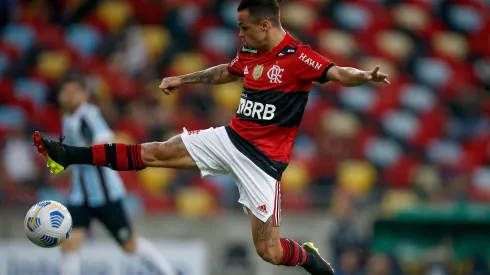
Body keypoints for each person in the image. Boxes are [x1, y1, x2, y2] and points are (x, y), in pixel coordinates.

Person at [32, 0, 389, 273]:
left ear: (266, 25)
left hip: (263, 164)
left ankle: (308, 257)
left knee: (270, 252)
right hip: (229, 139)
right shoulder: (251, 50)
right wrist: (182, 79)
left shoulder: (299, 57)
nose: (240, 34)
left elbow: (338, 73)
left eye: (244, 27)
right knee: (154, 152)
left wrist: (365, 76)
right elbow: (225, 72)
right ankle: (66, 155)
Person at [49, 73, 176, 275]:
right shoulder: (68, 119)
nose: (69, 96)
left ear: (84, 94)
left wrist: (78, 154)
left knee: (129, 245)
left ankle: (169, 272)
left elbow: (106, 139)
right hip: (80, 196)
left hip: (105, 194)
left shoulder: (88, 116)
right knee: (69, 244)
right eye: (65, 92)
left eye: (74, 91)